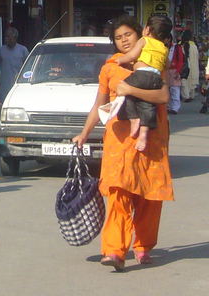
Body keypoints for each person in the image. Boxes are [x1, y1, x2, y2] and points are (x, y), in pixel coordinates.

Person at [73, 15, 173, 271]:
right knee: (118, 194)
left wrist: (131, 91)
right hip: (119, 142)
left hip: (150, 140)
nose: (124, 41)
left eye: (128, 34)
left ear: (140, 35)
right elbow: (99, 104)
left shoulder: (155, 60)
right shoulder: (110, 68)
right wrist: (84, 133)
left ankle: (143, 246)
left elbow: (162, 96)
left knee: (150, 198)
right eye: (118, 38)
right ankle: (115, 250)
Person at [113, 15, 171, 151]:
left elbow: (132, 55)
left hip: (141, 74)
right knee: (148, 105)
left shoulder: (144, 41)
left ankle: (133, 118)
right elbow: (167, 64)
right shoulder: (164, 47)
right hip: (156, 78)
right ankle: (143, 134)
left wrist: (121, 61)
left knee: (122, 91)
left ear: (147, 29)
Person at [0, 27, 29, 102]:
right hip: (4, 86)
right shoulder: (1, 50)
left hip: (17, 85)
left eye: (9, 37)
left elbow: (28, 66)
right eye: (6, 36)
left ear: (15, 38)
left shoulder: (23, 50)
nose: (6, 39)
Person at [179, 29, 199, 102]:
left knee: (184, 80)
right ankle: (191, 95)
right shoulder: (194, 45)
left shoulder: (180, 44)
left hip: (185, 65)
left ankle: (186, 95)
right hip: (194, 66)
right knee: (192, 80)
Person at [167, 35, 185, 114]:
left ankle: (175, 108)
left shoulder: (177, 47)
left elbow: (181, 60)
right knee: (166, 89)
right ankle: (168, 107)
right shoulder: (163, 47)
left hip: (174, 70)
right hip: (166, 70)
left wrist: (178, 71)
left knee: (175, 89)